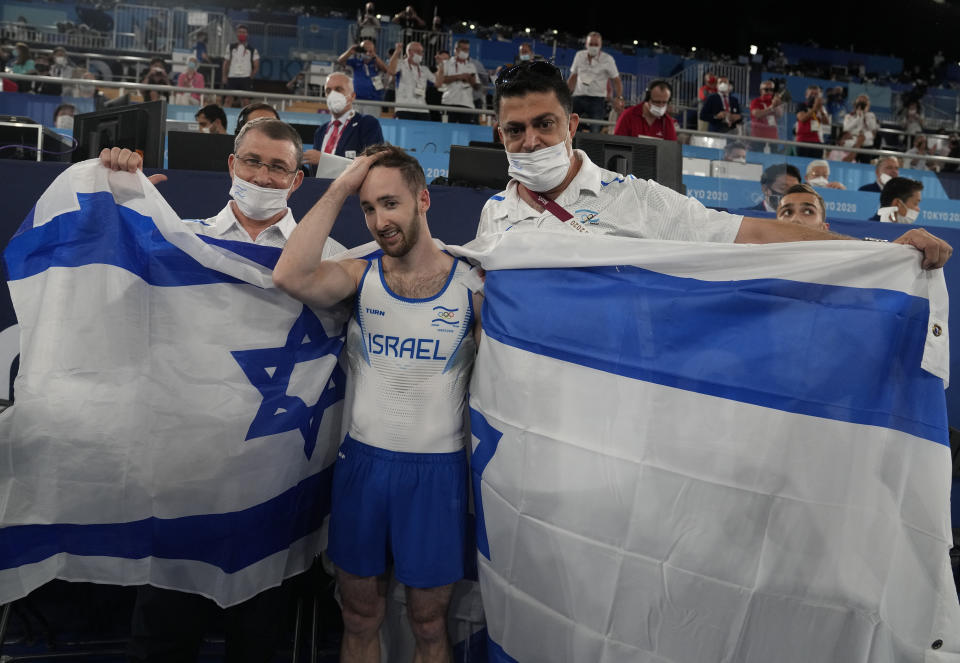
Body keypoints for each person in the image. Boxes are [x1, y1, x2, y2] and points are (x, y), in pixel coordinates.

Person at [98, 117, 346, 663]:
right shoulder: (182, 241)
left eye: (278, 167)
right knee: (161, 642)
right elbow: (106, 292)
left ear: (296, 180)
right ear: (231, 165)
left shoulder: (333, 259)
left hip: (276, 491)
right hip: (187, 485)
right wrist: (115, 199)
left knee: (258, 646)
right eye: (252, 161)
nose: (263, 175)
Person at [272, 143, 482, 663]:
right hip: (362, 470)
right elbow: (290, 276)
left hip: (438, 476)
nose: (378, 220)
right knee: (359, 616)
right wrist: (342, 186)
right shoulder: (359, 275)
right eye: (367, 208)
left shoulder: (472, 285)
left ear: (423, 200)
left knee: (430, 623)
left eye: (390, 203)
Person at [478, 61, 951, 270]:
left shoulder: (636, 198)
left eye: (545, 124)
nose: (532, 141)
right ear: (500, 134)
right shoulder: (493, 215)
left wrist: (882, 250)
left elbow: (756, 234)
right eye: (516, 130)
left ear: (572, 123)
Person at [304, 73, 383, 168]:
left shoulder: (367, 124)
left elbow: (373, 164)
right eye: (328, 91)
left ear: (352, 96)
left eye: (338, 89)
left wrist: (325, 161)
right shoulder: (320, 131)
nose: (333, 94)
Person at [567, 32, 623, 125]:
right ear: (586, 44)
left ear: (600, 45)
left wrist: (619, 97)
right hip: (578, 97)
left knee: (595, 128)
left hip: (597, 100)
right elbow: (573, 76)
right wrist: (565, 94)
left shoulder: (608, 59)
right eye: (591, 44)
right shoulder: (579, 55)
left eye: (596, 44)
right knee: (570, 127)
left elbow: (616, 80)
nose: (593, 47)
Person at [387, 40, 435, 120]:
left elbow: (438, 83)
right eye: (418, 51)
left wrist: (441, 65)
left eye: (421, 52)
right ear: (409, 52)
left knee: (424, 132)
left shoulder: (424, 69)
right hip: (404, 108)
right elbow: (391, 71)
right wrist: (397, 51)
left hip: (422, 110)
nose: (420, 54)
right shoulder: (400, 64)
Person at [435, 39, 480, 124]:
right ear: (456, 49)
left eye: (467, 49)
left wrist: (471, 81)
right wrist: (458, 77)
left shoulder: (471, 66)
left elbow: (477, 87)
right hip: (449, 102)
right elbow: (440, 81)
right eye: (463, 49)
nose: (466, 51)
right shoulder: (446, 63)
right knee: (447, 131)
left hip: (467, 104)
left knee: (465, 133)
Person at [223, 25, 259, 107]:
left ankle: (246, 119)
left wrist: (250, 77)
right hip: (232, 76)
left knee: (246, 102)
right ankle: (224, 118)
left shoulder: (252, 50)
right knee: (228, 100)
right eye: (240, 32)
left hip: (245, 78)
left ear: (247, 34)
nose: (241, 34)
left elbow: (256, 65)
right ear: (236, 33)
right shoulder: (230, 47)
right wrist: (224, 76)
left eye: (243, 32)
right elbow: (226, 62)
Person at [794, 85, 828, 158]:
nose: (814, 96)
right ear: (806, 95)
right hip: (803, 141)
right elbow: (802, 118)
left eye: (816, 95)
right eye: (811, 94)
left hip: (817, 141)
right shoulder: (801, 105)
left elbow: (826, 124)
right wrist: (814, 108)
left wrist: (821, 110)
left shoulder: (822, 108)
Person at [843, 94, 878, 163]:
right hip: (853, 144)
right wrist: (858, 117)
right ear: (855, 104)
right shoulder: (849, 116)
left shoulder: (871, 115)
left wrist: (865, 114)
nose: (862, 104)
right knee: (851, 164)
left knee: (865, 166)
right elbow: (846, 128)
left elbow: (872, 128)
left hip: (867, 145)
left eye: (864, 102)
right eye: (860, 102)